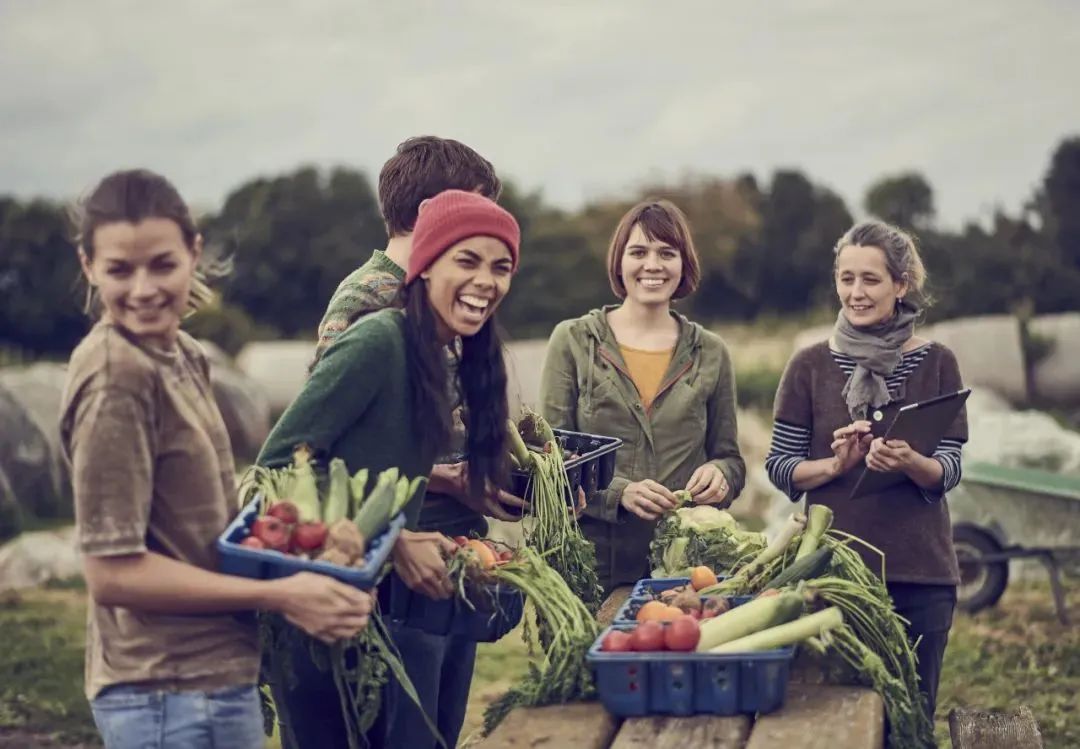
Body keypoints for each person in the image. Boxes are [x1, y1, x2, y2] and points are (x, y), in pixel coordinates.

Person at [60, 169, 373, 749]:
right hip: (164, 692)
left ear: (194, 253)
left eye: (162, 264)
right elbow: (111, 574)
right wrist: (280, 595)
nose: (143, 289)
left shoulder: (183, 353)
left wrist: (308, 559)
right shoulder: (115, 378)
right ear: (89, 267)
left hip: (215, 678)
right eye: (119, 270)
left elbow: (197, 528)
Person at [257, 189, 521, 749]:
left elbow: (371, 468)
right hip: (314, 606)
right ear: (424, 266)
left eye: (501, 267)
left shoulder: (447, 356)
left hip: (364, 603)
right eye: (467, 261)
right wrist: (394, 538)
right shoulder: (378, 339)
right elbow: (279, 465)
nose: (486, 281)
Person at [765, 219, 967, 721]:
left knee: (911, 721)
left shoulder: (937, 363)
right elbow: (781, 467)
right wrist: (836, 464)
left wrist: (911, 462)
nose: (856, 292)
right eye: (846, 278)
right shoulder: (809, 366)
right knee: (837, 725)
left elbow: (949, 468)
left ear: (901, 285)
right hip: (834, 579)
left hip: (921, 577)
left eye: (871, 280)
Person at [539, 198, 746, 593]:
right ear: (619, 262)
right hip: (592, 565)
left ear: (683, 264)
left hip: (683, 570)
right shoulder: (573, 340)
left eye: (666, 253)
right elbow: (549, 459)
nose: (653, 264)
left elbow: (730, 459)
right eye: (638, 252)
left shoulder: (711, 351)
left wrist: (722, 475)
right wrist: (619, 493)